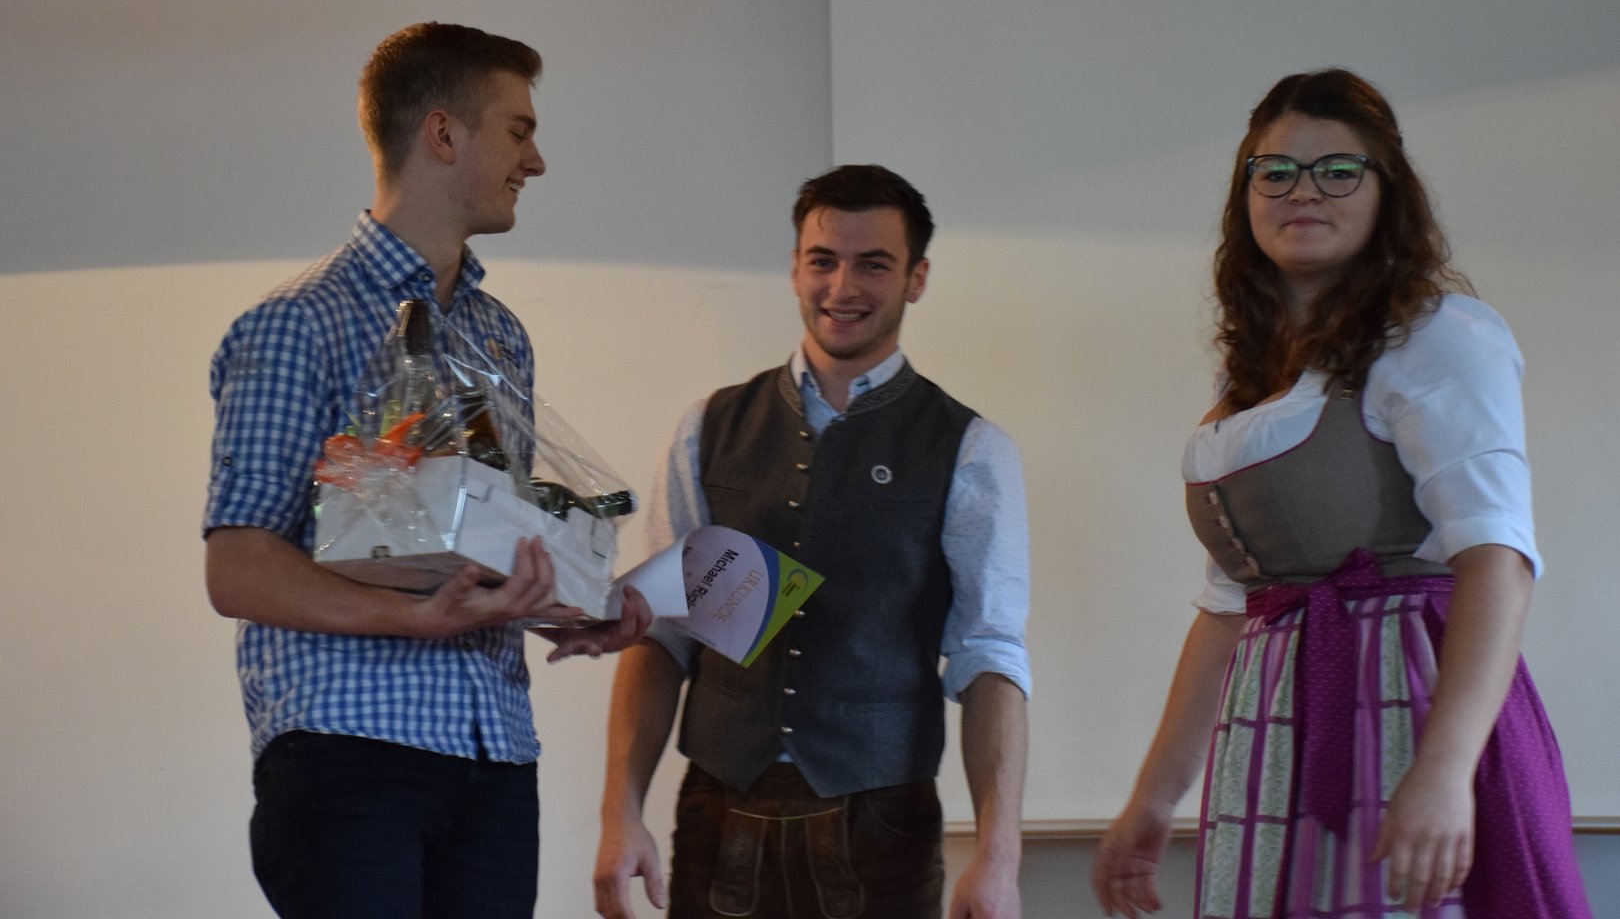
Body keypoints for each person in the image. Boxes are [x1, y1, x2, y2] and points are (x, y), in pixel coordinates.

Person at [1091, 69, 1592, 918]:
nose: (1303, 191)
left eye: (1337, 169)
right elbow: (1229, 610)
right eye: (1275, 171)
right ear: (1246, 193)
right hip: (1277, 725)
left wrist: (1444, 771)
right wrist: (1155, 797)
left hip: (1408, 702)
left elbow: (1498, 560)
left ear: (1386, 190)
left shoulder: (1436, 335)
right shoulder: (1250, 378)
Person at [203, 21, 650, 919]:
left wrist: (571, 600)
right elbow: (238, 568)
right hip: (351, 752)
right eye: (518, 132)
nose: (536, 162)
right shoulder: (298, 323)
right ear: (443, 134)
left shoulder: (499, 334)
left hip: (493, 755)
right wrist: (415, 619)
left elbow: (471, 543)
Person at [592, 164, 1032, 919]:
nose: (842, 287)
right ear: (795, 266)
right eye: (823, 260)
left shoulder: (970, 447)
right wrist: (618, 815)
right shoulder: (709, 426)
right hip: (718, 809)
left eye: (873, 264)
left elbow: (989, 655)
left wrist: (999, 859)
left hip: (883, 825)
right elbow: (663, 634)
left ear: (917, 278)